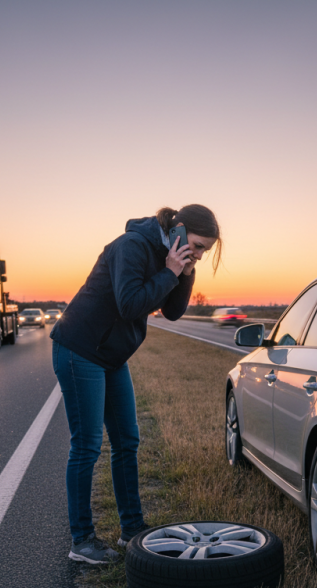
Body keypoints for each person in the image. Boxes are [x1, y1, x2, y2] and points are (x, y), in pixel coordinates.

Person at [51, 205, 222, 564]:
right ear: (177, 229)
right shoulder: (132, 245)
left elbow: (173, 311)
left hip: (111, 356)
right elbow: (130, 304)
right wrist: (172, 269)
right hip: (79, 348)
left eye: (205, 250)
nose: (200, 254)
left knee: (127, 440)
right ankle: (81, 541)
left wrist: (184, 272)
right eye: (197, 245)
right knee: (86, 445)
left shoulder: (170, 256)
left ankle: (132, 528)